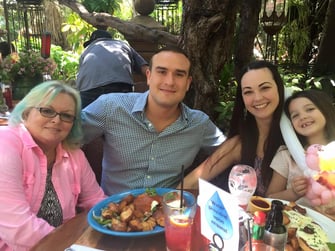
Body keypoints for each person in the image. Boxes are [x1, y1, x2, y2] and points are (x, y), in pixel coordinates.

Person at [81, 46, 226, 195]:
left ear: (188, 83)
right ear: (149, 76)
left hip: (166, 212)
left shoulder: (198, 124)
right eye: (162, 72)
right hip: (112, 211)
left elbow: (231, 148)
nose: (170, 82)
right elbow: (65, 134)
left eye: (179, 74)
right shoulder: (111, 107)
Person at [0, 81, 106, 251]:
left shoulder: (74, 154)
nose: (56, 120)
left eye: (66, 115)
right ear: (26, 112)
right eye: (47, 111)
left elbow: (95, 201)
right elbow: (18, 228)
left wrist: (117, 221)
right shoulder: (5, 145)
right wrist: (70, 247)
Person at [182, 60, 285, 197]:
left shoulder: (299, 137)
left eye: (265, 88)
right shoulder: (240, 144)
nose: (258, 98)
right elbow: (191, 183)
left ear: (279, 88)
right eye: (248, 92)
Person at [266, 89, 335, 218]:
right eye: (295, 115)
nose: (303, 116)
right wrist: (293, 192)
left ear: (325, 110)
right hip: (294, 228)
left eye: (309, 109)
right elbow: (269, 198)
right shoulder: (286, 156)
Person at [76, 29, 149, 108]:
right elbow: (144, 68)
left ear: (93, 41)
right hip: (119, 87)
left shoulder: (88, 49)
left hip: (90, 90)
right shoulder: (122, 44)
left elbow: (81, 75)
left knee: (85, 118)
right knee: (120, 118)